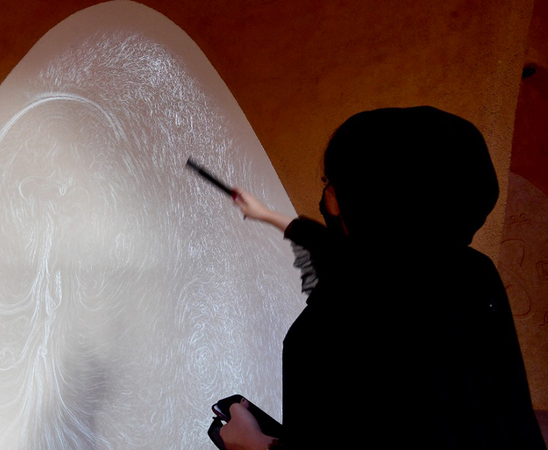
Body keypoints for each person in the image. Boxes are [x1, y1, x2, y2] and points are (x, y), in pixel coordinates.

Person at [219, 106, 546, 450]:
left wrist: (250, 441)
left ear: (362, 196)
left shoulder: (331, 321)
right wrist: (264, 213)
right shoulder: (474, 273)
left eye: (331, 183)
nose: (328, 197)